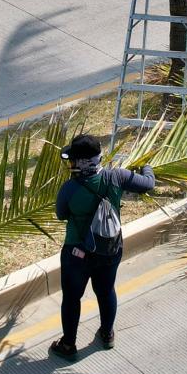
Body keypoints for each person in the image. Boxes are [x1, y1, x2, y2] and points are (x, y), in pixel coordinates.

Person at [49, 135, 155, 360]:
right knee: (106, 291)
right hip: (109, 249)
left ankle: (68, 345)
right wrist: (147, 167)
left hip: (77, 254)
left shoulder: (69, 188)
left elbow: (61, 214)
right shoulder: (116, 176)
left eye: (73, 160)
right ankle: (107, 334)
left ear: (80, 163)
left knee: (72, 298)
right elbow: (148, 184)